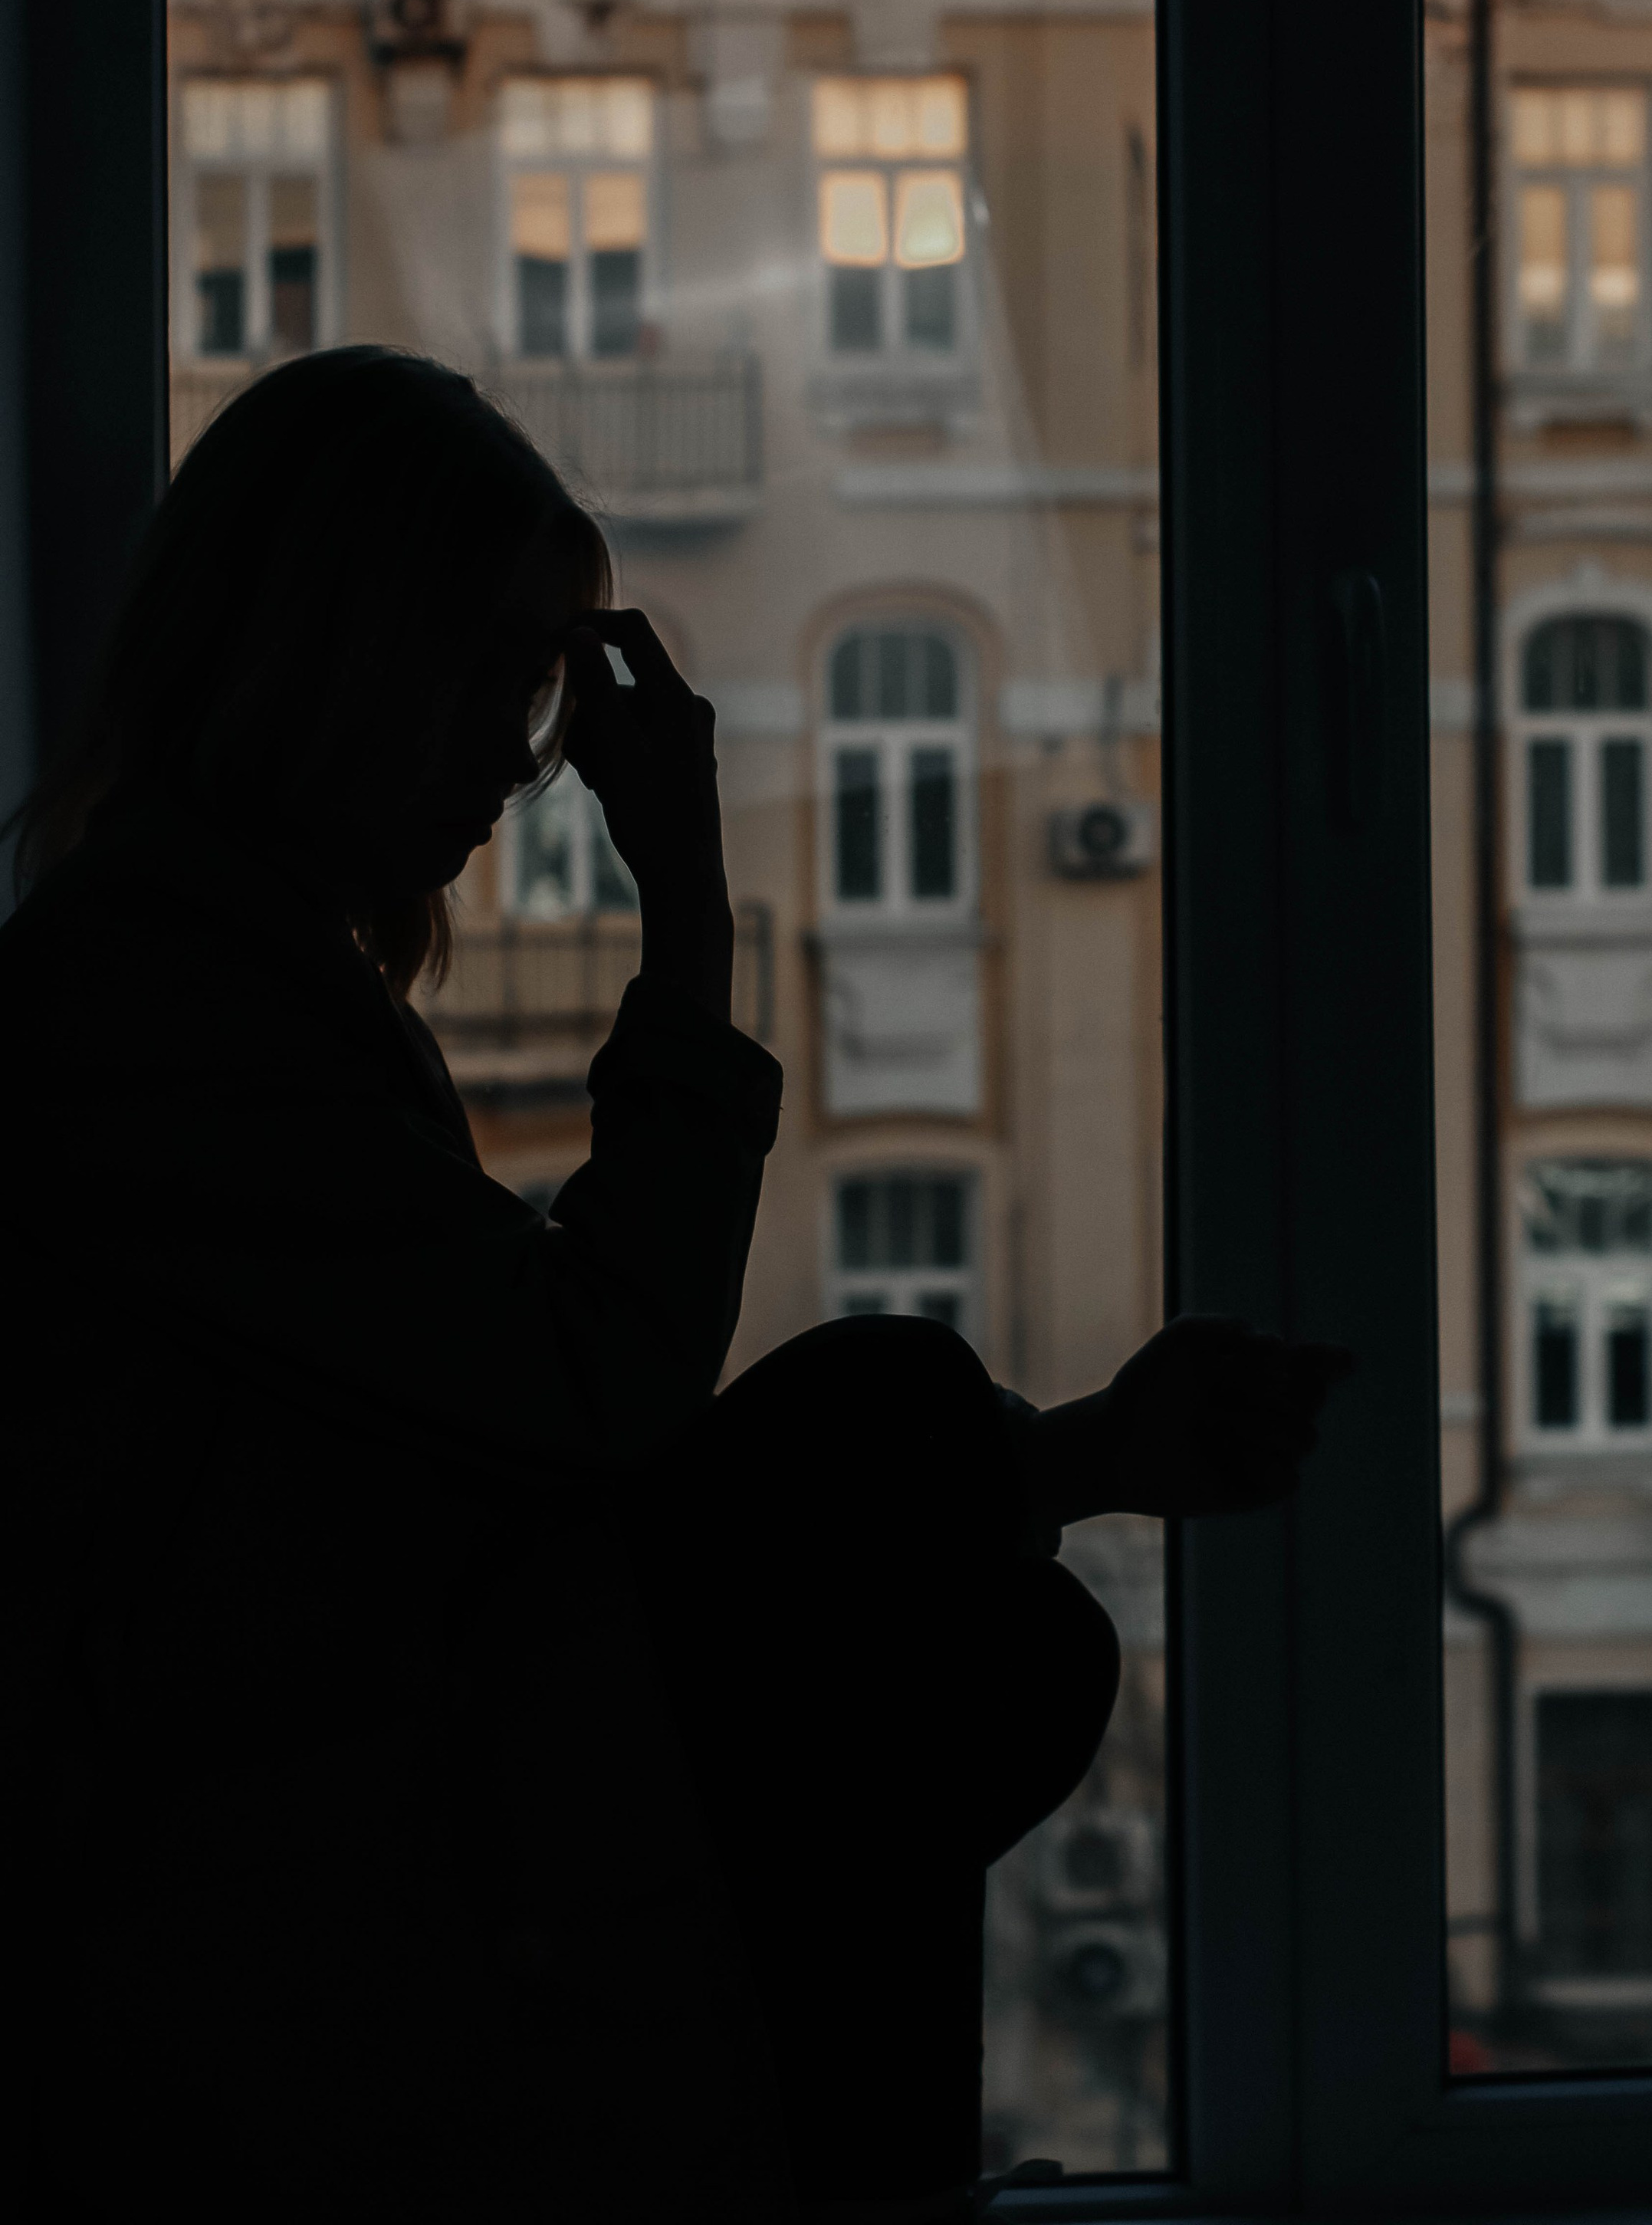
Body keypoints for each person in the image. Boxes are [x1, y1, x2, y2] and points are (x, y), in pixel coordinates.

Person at [0, 347, 1348, 2225]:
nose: (516, 755)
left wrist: (1060, 1460)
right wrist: (688, 913)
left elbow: (542, 1430)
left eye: (534, 688)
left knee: (952, 1548)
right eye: (481, 675)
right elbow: (598, 1397)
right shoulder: (162, 1011)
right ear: (328, 654)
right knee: (948, 1570)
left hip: (372, 1823)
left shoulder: (210, 976)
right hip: (299, 1900)